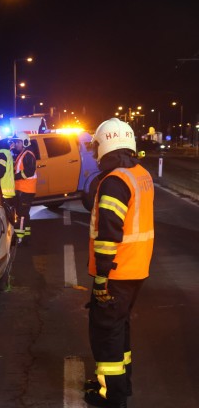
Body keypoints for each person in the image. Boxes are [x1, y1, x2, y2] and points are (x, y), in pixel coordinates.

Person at [84, 118, 154, 408]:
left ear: (106, 145)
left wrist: (101, 278)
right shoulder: (139, 173)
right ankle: (120, 387)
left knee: (106, 334)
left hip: (116, 271)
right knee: (120, 329)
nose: (94, 151)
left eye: (96, 146)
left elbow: (108, 235)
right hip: (135, 269)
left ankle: (113, 399)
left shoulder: (115, 181)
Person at [11, 132, 37, 244]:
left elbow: (29, 171)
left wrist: (14, 177)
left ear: (25, 143)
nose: (16, 144)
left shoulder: (27, 154)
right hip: (24, 189)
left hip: (26, 190)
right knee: (24, 215)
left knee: (21, 215)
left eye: (18, 142)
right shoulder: (23, 154)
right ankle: (26, 237)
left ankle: (20, 239)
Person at [0, 137, 16, 202]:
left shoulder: (0, 153)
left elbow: (0, 172)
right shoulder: (7, 152)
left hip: (2, 191)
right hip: (8, 191)